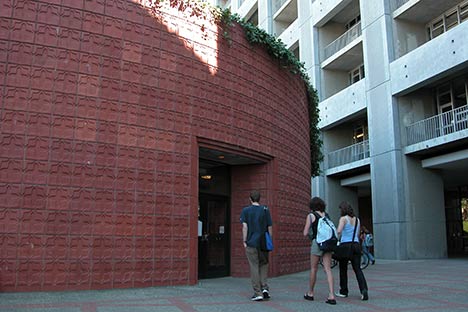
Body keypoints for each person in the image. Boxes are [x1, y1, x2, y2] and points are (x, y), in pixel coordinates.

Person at [302, 197, 336, 305]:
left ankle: (310, 293)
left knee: (313, 268)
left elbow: (305, 232)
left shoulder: (311, 216)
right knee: (328, 269)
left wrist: (312, 236)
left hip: (317, 243)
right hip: (328, 243)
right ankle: (331, 295)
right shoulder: (327, 215)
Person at [240, 190, 273, 301]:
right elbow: (269, 227)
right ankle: (265, 288)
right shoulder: (265, 210)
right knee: (264, 264)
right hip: (264, 241)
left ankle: (257, 292)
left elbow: (245, 227)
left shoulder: (246, 211)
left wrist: (244, 241)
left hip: (251, 242)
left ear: (250, 199)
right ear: (259, 198)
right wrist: (269, 240)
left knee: (254, 266)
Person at [335, 201, 369, 300]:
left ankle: (343, 291)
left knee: (343, 269)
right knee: (357, 269)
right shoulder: (357, 220)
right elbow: (357, 234)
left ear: (343, 209)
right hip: (356, 245)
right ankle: (364, 290)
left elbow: (339, 231)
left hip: (345, 245)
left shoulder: (343, 219)